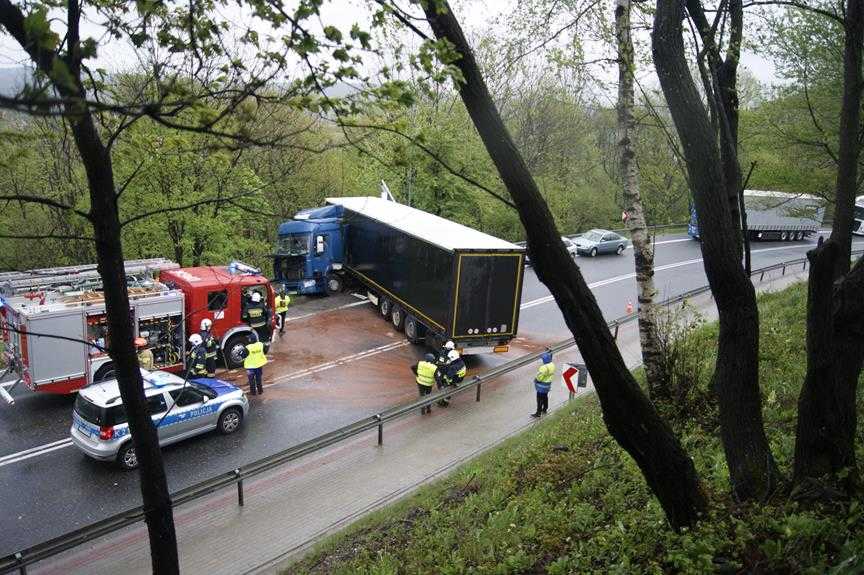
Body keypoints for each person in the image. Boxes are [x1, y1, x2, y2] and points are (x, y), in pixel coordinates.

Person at [531, 351, 555, 418]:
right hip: (548, 385)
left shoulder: (544, 367)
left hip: (541, 386)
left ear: (544, 360)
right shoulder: (552, 365)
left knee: (539, 399)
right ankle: (545, 409)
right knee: (545, 397)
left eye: (543, 359)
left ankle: (538, 413)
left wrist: (536, 380)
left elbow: (539, 377)